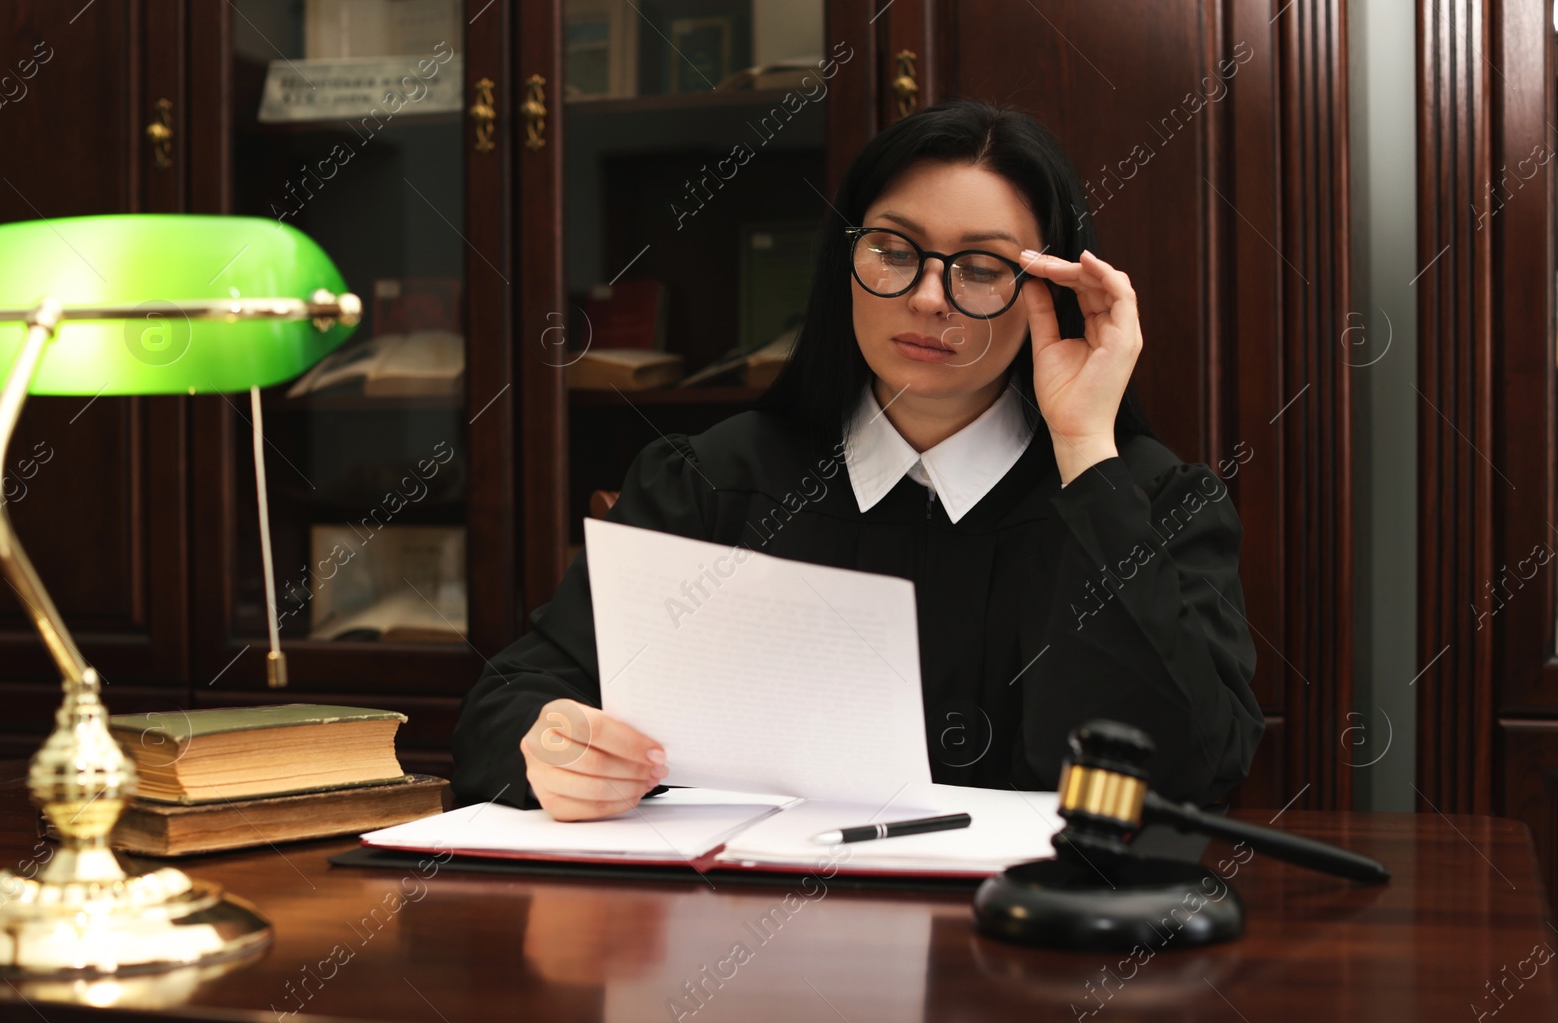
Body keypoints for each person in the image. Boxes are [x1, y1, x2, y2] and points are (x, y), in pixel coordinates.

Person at [453, 98, 1263, 822]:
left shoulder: (1145, 499)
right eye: (894, 249)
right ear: (845, 258)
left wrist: (1087, 448)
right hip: (743, 950)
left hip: (1033, 952)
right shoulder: (712, 481)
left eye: (983, 268)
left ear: (1049, 291)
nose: (927, 297)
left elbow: (1192, 767)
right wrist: (557, 751)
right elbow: (508, 705)